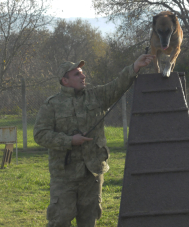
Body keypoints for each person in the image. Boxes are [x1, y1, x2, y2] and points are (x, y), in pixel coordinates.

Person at [34, 54, 155, 227]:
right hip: (64, 175)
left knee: (89, 220)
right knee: (59, 219)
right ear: (65, 81)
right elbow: (40, 134)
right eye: (77, 74)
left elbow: (117, 85)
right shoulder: (51, 105)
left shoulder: (96, 96)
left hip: (92, 173)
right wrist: (69, 140)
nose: (83, 76)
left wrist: (135, 66)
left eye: (82, 72)